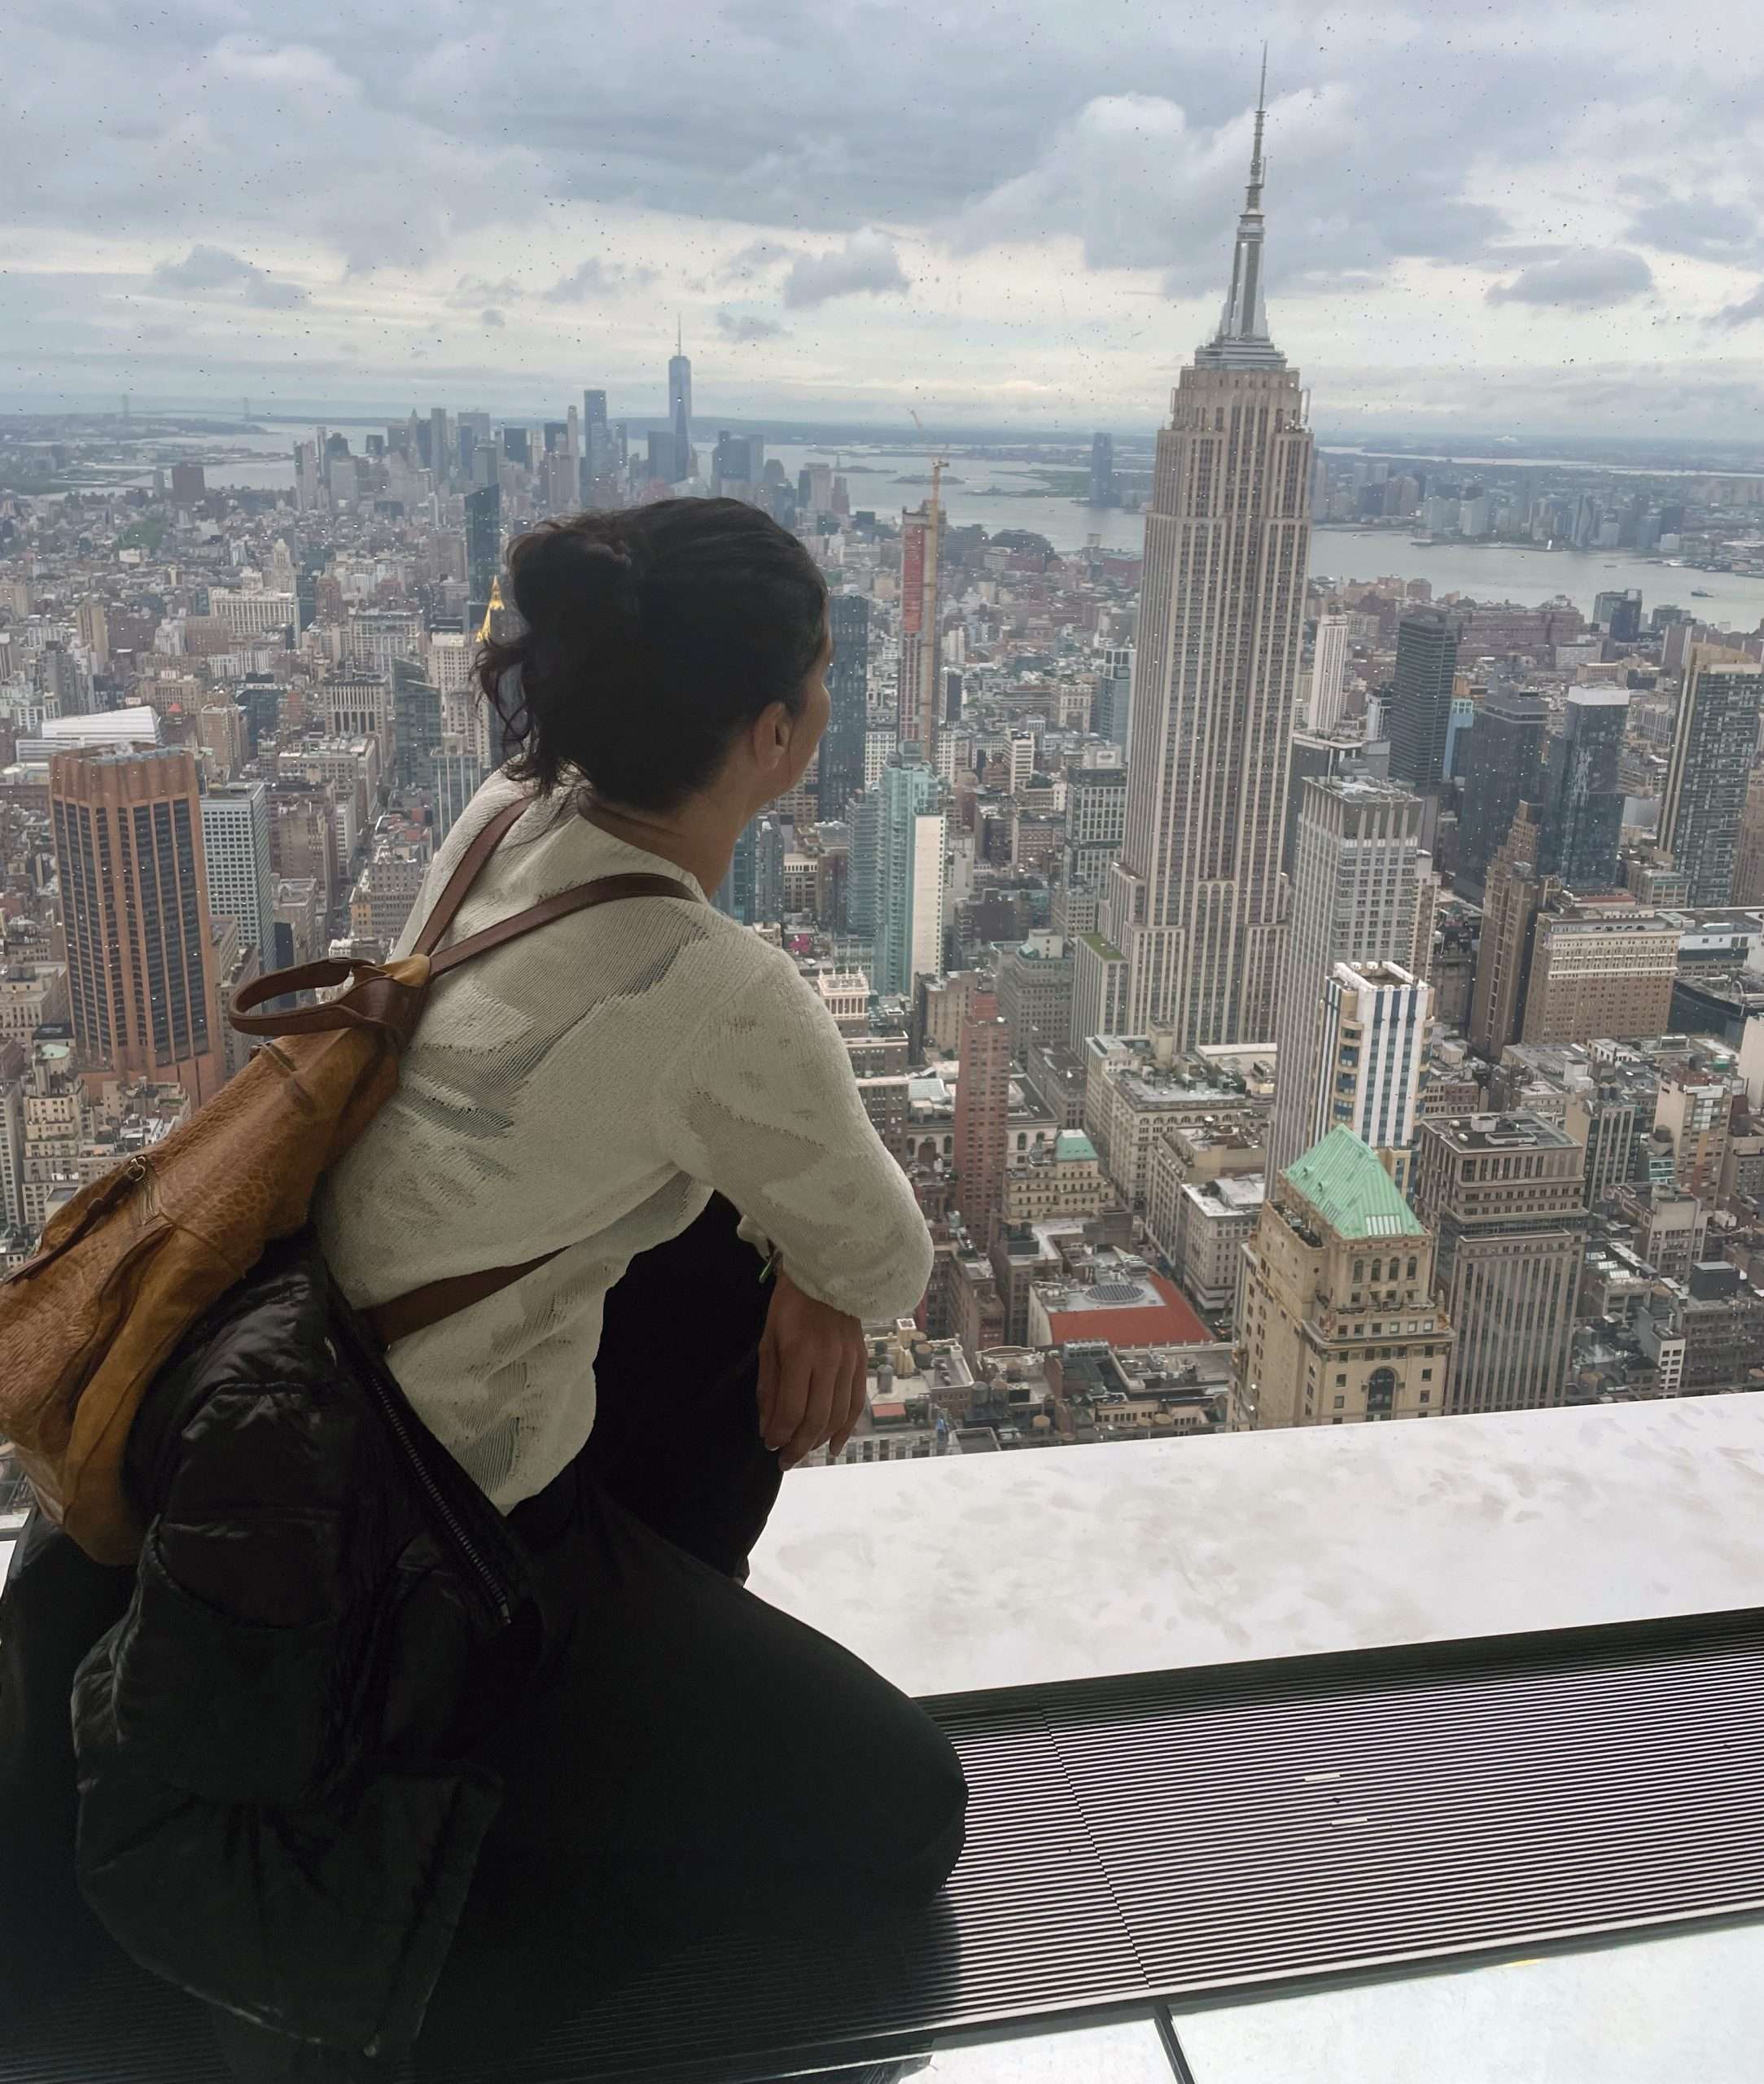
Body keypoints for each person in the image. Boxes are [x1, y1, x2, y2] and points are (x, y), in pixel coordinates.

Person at [303, 497, 967, 2073]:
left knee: (734, 1257)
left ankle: (632, 1689)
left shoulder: (501, 818)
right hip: (461, 1526)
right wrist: (820, 1278)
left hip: (334, 1395)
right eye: (816, 677)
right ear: (778, 731)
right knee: (897, 1817)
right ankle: (470, 1896)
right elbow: (885, 1254)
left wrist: (791, 1271)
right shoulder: (714, 988)